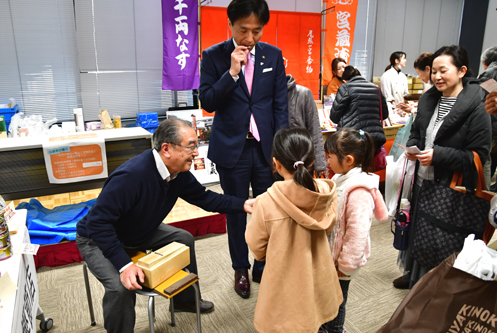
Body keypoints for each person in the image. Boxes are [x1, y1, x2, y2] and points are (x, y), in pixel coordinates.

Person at [76, 118, 255, 333]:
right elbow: (98, 223)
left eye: (196, 146)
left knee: (184, 239)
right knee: (120, 287)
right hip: (97, 238)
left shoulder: (179, 174)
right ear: (166, 149)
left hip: (137, 229)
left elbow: (206, 198)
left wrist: (243, 203)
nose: (196, 153)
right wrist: (124, 265)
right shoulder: (131, 176)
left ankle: (184, 301)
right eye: (191, 146)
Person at [199, 0, 289, 299]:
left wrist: (281, 150)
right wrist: (232, 73)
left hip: (265, 150)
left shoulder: (273, 55)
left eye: (257, 31)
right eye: (243, 30)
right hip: (232, 150)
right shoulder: (213, 56)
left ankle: (262, 261)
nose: (250, 38)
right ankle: (241, 268)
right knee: (236, 211)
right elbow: (208, 102)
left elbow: (279, 105)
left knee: (268, 210)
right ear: (230, 25)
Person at [393, 45, 491, 290]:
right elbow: (417, 131)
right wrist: (414, 148)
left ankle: (436, 289)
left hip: (452, 187)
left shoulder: (478, 107)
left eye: (443, 70)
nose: (436, 76)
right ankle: (416, 279)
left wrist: (438, 156)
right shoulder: (429, 99)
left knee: (443, 240)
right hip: (423, 181)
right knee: (419, 232)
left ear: (462, 71)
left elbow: (478, 155)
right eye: (433, 71)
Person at [245, 127, 343, 333]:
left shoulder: (265, 202)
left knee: (286, 323)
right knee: (314, 319)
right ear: (310, 162)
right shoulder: (326, 192)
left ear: (276, 163)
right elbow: (330, 224)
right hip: (319, 276)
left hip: (283, 282)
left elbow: (256, 247)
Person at [320, 128, 388, 333]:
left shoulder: (358, 191)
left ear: (348, 160)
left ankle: (336, 329)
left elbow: (357, 233)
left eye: (330, 157)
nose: (328, 161)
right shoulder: (342, 179)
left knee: (338, 299)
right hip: (332, 254)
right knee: (328, 296)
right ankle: (325, 326)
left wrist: (346, 265)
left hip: (343, 261)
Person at [330, 65, 389, 151]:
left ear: (345, 80)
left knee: (352, 163)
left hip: (352, 138)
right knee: (369, 164)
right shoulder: (376, 88)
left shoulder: (345, 87)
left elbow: (334, 117)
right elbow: (384, 114)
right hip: (374, 138)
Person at [286, 74, 327, 177]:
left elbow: (314, 129)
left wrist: (320, 164)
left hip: (302, 160)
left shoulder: (303, 93)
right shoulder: (265, 94)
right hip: (276, 163)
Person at [478, 46, 497, 191]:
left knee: (486, 163)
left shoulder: (489, 74)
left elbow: (479, 101)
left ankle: (485, 198)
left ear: (485, 62)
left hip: (491, 128)